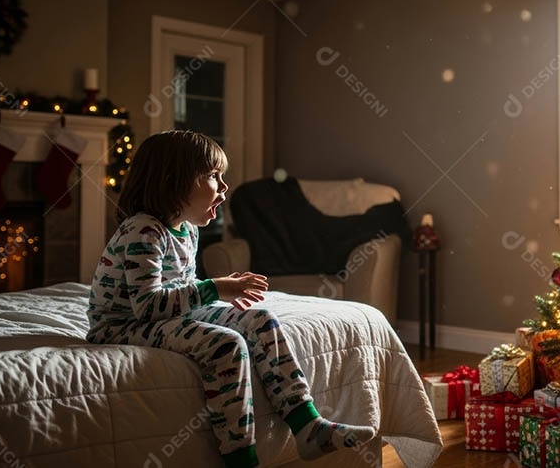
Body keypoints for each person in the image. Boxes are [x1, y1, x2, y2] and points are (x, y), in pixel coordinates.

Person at [85, 130, 375, 468]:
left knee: (260, 319)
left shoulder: (188, 230)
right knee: (225, 345)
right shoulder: (143, 231)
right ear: (172, 180)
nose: (224, 187)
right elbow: (148, 306)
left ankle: (307, 425)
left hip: (165, 316)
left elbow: (181, 285)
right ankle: (240, 458)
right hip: (122, 325)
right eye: (212, 176)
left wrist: (213, 289)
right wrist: (214, 289)